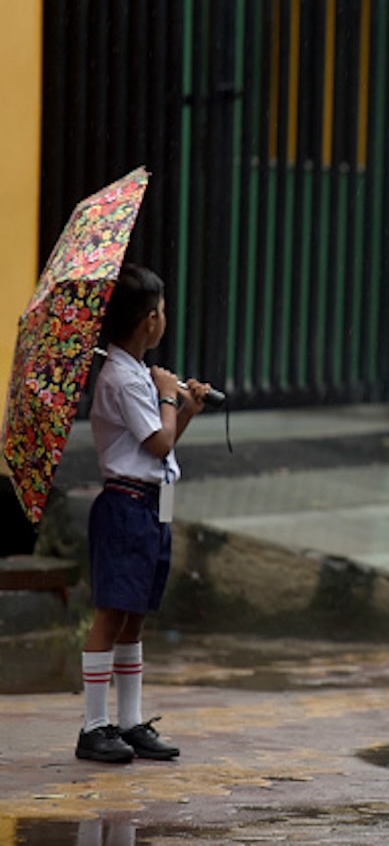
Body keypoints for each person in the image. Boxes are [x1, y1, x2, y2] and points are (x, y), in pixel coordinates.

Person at [75, 264, 212, 763]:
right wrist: (168, 396)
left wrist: (185, 405)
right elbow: (158, 443)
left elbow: (166, 440)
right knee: (112, 613)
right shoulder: (125, 379)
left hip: (152, 507)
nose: (165, 318)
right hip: (126, 507)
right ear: (149, 320)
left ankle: (130, 722)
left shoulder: (137, 374)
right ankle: (94, 726)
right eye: (162, 310)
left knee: (135, 615)